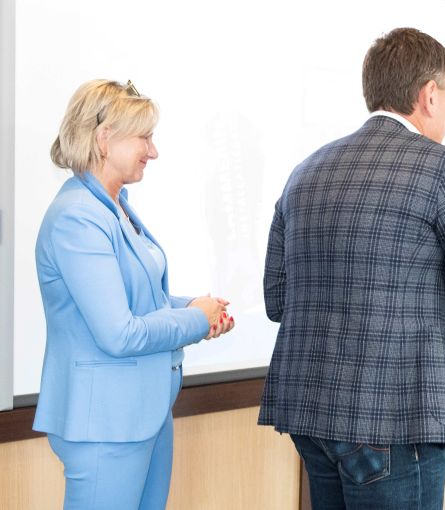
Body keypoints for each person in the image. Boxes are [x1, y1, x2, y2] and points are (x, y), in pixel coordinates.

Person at [258, 27, 445, 509]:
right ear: (428, 95)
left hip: (310, 415)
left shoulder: (307, 169)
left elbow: (277, 299)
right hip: (395, 417)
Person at [34, 79, 235, 510]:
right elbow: (119, 332)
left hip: (143, 415)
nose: (153, 151)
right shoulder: (77, 218)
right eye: (144, 137)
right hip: (106, 425)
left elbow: (141, 299)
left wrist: (196, 307)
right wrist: (196, 319)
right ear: (104, 139)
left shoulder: (114, 206)